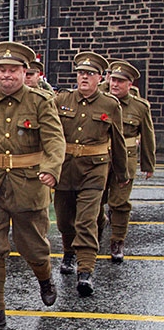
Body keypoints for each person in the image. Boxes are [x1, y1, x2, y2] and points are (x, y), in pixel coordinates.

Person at [0, 41, 66, 330]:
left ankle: (44, 277)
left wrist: (51, 171)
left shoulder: (39, 102)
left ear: (25, 72)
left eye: (13, 70)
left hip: (28, 186)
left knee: (33, 248)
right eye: (2, 70)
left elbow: (55, 141)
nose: (6, 76)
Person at [53, 51, 129, 297]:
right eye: (80, 73)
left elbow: (117, 140)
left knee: (85, 221)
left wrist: (121, 172)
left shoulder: (110, 104)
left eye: (90, 74)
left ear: (100, 78)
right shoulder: (61, 100)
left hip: (95, 170)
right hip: (65, 168)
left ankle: (85, 271)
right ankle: (68, 252)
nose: (84, 78)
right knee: (65, 219)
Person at [96, 60, 155, 262]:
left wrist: (148, 164)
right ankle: (97, 229)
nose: (115, 84)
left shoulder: (139, 107)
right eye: (113, 79)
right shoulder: (99, 100)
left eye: (121, 81)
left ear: (130, 84)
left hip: (126, 160)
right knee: (95, 199)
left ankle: (117, 241)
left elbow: (147, 136)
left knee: (120, 203)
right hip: (101, 157)